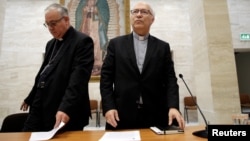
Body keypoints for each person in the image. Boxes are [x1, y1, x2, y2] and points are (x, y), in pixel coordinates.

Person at [100, 1, 185, 130]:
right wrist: (108, 107)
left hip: (156, 114)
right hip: (121, 114)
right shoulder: (115, 45)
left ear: (152, 20)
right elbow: (106, 78)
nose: (138, 15)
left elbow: (170, 80)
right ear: (131, 17)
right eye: (135, 12)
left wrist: (173, 106)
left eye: (144, 12)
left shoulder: (162, 47)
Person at [20, 3, 94, 131]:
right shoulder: (51, 44)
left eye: (53, 23)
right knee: (26, 134)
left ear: (66, 20)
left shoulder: (82, 41)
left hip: (65, 109)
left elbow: (78, 80)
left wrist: (65, 108)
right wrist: (31, 97)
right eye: (47, 24)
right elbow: (44, 73)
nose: (50, 28)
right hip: (41, 104)